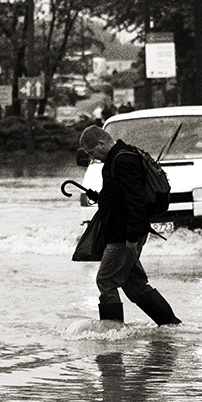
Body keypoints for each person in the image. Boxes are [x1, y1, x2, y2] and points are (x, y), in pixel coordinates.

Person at [78, 125, 181, 326]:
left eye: (92, 153)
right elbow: (123, 197)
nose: (94, 158)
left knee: (105, 281)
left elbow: (137, 202)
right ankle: (170, 325)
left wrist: (132, 238)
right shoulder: (121, 156)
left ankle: (112, 332)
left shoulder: (122, 160)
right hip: (125, 231)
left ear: (101, 143)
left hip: (123, 235)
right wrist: (100, 197)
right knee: (134, 285)